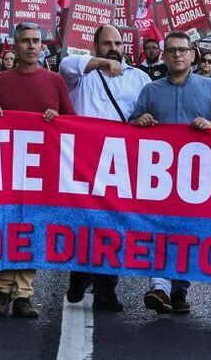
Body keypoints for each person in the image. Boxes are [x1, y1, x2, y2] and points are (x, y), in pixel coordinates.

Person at [131, 31, 211, 315]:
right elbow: (130, 127)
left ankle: (179, 290)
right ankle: (159, 286)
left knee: (187, 232)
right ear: (164, 55)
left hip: (195, 176)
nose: (177, 54)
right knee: (160, 229)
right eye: (172, 50)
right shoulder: (150, 91)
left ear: (192, 55)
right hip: (159, 177)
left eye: (182, 50)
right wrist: (140, 121)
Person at [0, 22, 74, 319]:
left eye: (37, 41)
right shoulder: (0, 81)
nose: (32, 46)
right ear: (15, 45)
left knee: (30, 229)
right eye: (26, 41)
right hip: (6, 167)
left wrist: (56, 117)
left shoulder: (55, 81)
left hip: (41, 170)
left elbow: (71, 122)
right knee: (5, 226)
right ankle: (2, 290)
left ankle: (23, 294)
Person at [60, 25, 150, 313]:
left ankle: (105, 290)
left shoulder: (139, 78)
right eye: (107, 43)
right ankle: (79, 274)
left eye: (119, 43)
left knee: (112, 226)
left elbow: (147, 112)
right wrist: (102, 64)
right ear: (95, 45)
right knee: (86, 222)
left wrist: (143, 121)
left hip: (120, 162)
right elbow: (65, 65)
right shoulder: (80, 75)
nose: (114, 48)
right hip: (83, 160)